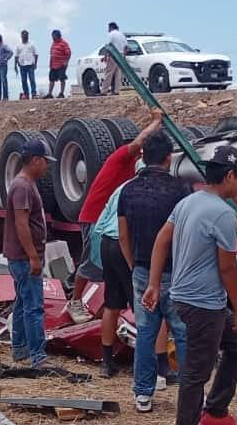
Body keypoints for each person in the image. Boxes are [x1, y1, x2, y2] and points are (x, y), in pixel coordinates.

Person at [143, 145, 237, 425]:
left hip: (188, 297)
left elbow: (162, 240)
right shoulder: (224, 214)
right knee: (196, 370)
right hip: (202, 303)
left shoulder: (188, 202)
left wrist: (153, 284)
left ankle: (215, 413)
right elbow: (228, 267)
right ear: (229, 175)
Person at [66, 111, 164, 329]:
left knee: (108, 272)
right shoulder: (121, 157)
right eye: (139, 151)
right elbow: (140, 141)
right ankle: (74, 301)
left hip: (106, 218)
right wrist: (156, 121)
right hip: (95, 217)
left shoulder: (136, 170)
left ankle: (101, 315)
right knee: (91, 263)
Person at [120, 131, 192, 412]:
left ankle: (143, 394)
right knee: (183, 332)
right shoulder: (179, 190)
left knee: (146, 333)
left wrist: (133, 265)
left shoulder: (128, 190)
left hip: (140, 269)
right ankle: (189, 391)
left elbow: (123, 235)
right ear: (168, 158)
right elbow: (185, 234)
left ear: (142, 157)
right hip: (175, 272)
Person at [4, 139, 54, 367]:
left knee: (23, 303)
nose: (47, 166)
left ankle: (20, 349)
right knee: (34, 305)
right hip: (24, 257)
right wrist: (33, 256)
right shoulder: (23, 186)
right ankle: (38, 356)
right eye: (45, 161)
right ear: (35, 160)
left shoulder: (24, 183)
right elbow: (21, 224)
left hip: (21, 255)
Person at [103, 22, 127, 95]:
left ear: (111, 27)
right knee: (118, 74)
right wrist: (123, 56)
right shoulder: (122, 35)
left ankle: (104, 91)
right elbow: (126, 47)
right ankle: (116, 91)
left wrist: (105, 56)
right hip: (121, 55)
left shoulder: (111, 34)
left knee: (109, 73)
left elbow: (109, 46)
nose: (108, 30)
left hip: (114, 55)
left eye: (108, 28)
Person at [46, 29, 71, 100]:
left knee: (62, 78)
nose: (52, 37)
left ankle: (61, 93)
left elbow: (68, 53)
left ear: (57, 36)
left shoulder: (64, 43)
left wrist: (66, 61)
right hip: (53, 65)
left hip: (61, 64)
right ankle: (50, 93)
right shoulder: (53, 44)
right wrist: (50, 64)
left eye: (53, 36)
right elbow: (52, 54)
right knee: (51, 79)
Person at [15, 30, 38, 100]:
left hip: (30, 64)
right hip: (22, 65)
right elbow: (16, 56)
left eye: (26, 35)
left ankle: (34, 94)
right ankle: (26, 94)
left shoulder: (31, 45)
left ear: (28, 36)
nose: (25, 36)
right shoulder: (18, 46)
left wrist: (35, 63)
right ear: (21, 36)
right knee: (23, 81)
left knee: (32, 80)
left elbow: (36, 54)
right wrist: (15, 65)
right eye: (23, 35)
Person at [0, 34, 12, 101]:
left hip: (3, 66)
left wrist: (6, 59)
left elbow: (10, 52)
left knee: (3, 81)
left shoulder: (4, 46)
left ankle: (5, 97)